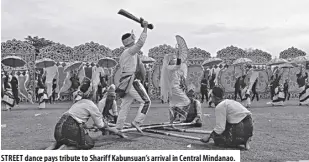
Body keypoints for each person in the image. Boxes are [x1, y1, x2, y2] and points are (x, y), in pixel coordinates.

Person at [46, 78, 125, 150]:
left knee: (61, 141)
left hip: (58, 129)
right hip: (70, 128)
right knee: (89, 143)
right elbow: (100, 125)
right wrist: (115, 131)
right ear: (92, 93)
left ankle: (54, 146)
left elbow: (76, 117)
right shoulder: (92, 105)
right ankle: (65, 148)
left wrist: (88, 126)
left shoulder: (77, 102)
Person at [115, 20, 151, 134]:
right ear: (130, 41)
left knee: (125, 105)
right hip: (131, 81)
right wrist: (145, 28)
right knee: (146, 102)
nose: (135, 40)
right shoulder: (130, 52)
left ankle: (118, 127)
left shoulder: (125, 54)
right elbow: (141, 43)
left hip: (125, 82)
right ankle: (137, 122)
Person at [160, 52, 190, 125]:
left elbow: (178, 70)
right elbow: (177, 66)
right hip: (174, 88)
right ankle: (179, 112)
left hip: (173, 88)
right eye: (173, 59)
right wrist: (179, 57)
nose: (174, 60)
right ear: (169, 60)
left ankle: (171, 122)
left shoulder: (170, 68)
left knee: (172, 104)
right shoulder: (169, 67)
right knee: (187, 101)